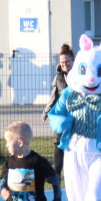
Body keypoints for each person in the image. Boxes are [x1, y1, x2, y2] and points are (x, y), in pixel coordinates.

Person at [42, 47, 74, 177]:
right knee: (58, 144)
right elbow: (54, 95)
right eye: (62, 62)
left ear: (73, 60)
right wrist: (46, 111)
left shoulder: (80, 75)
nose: (64, 65)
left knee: (75, 144)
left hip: (78, 116)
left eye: (67, 62)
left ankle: (76, 172)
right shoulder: (59, 77)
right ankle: (56, 174)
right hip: (62, 115)